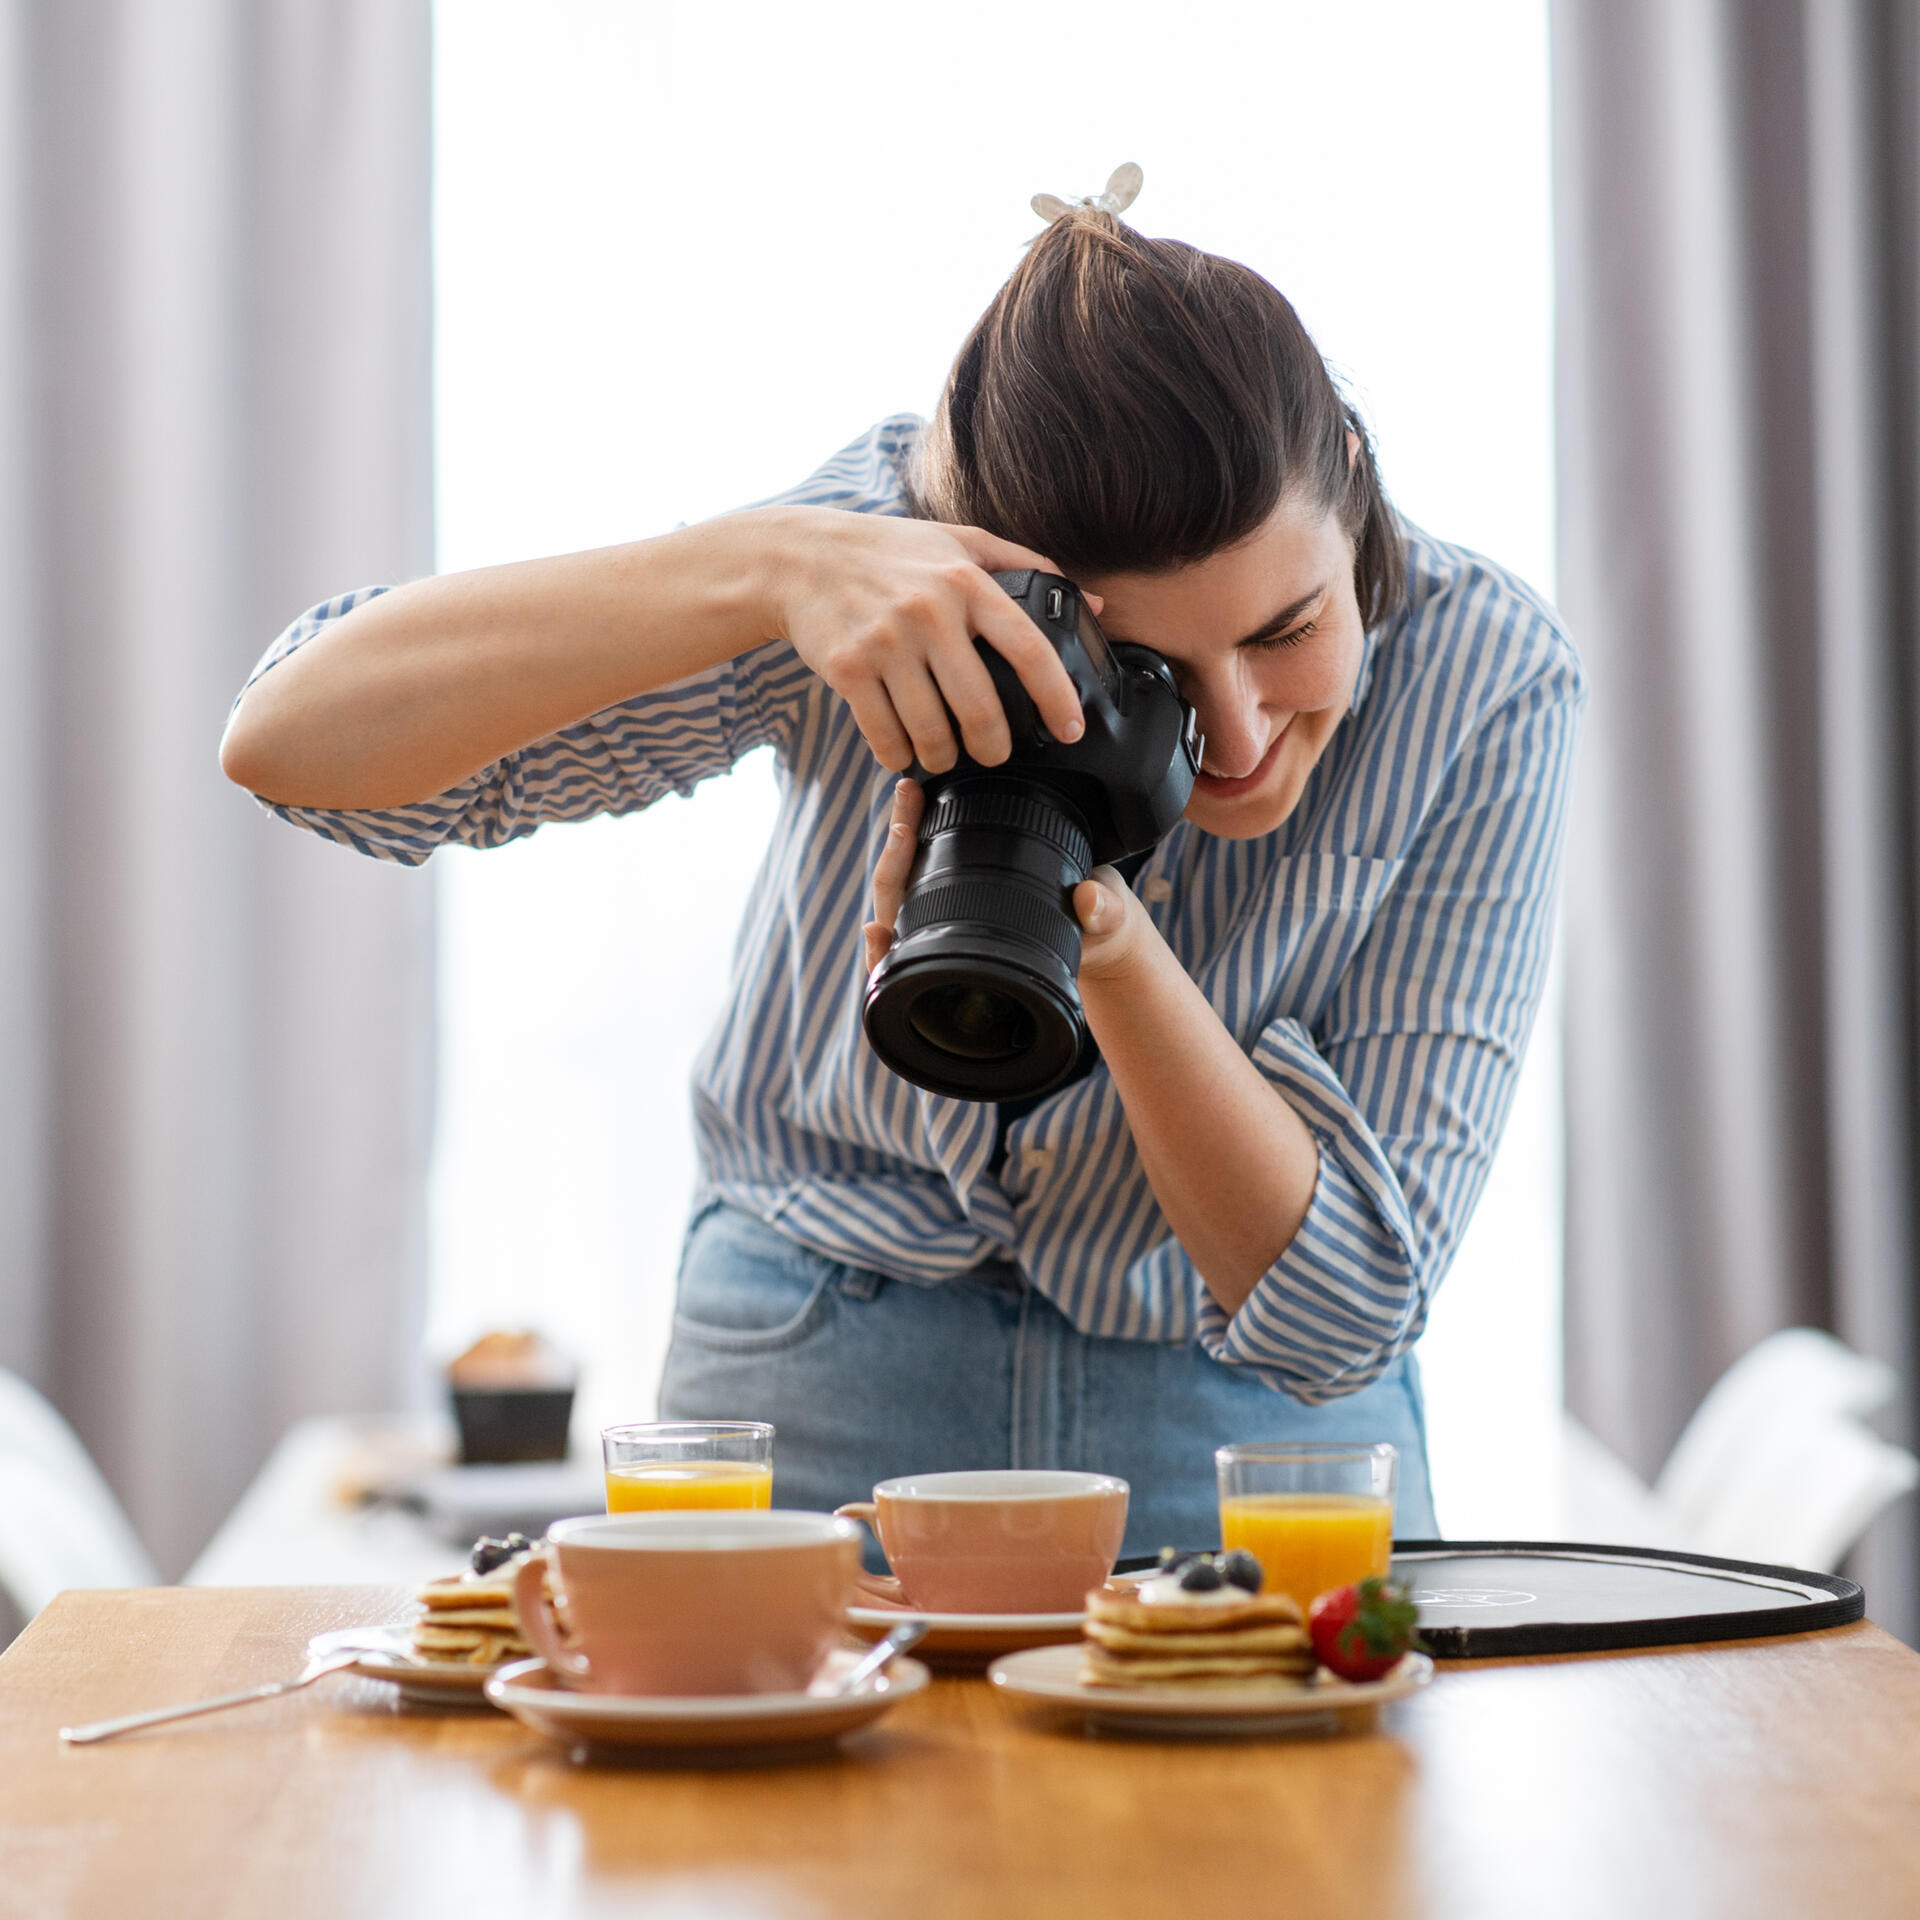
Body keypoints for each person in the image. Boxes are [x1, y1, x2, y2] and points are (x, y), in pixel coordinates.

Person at [221, 181, 1582, 1554]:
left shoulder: (1486, 680)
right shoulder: (880, 578)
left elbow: (1338, 1311)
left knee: (1271, 1783)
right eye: (1151, 679)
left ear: (1351, 478)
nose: (1235, 738)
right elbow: (293, 747)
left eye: (1289, 628)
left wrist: (1097, 933)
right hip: (817, 1360)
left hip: (1252, 1435)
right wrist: (769, 565)